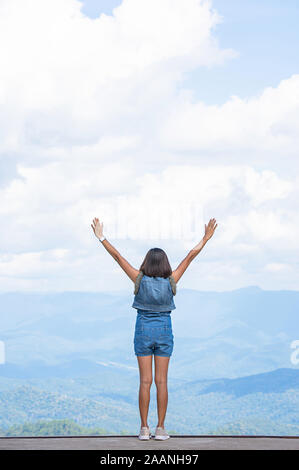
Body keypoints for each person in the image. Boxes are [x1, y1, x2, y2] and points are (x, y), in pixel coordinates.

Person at [91, 217, 217, 440]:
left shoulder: (138, 279)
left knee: (145, 382)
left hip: (143, 330)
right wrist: (205, 239)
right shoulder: (171, 280)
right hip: (164, 330)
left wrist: (101, 237)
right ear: (165, 263)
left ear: (147, 262)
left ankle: (143, 428)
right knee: (162, 382)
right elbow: (190, 256)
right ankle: (160, 428)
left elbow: (118, 257)